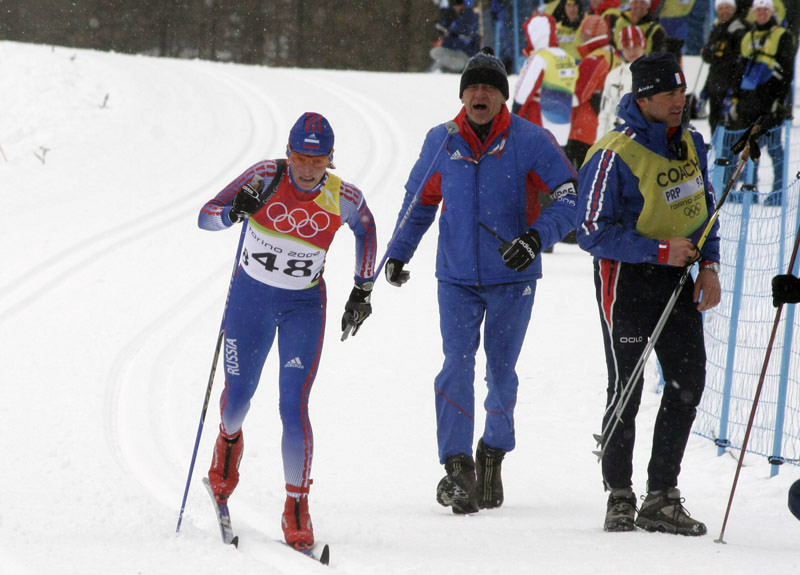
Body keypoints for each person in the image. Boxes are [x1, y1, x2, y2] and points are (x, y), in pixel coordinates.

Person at [385, 47, 578, 514]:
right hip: (455, 278)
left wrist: (535, 238)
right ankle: (458, 467)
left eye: (489, 87)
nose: (479, 93)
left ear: (501, 97)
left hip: (513, 279)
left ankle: (492, 452)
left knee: (500, 372)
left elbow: (571, 197)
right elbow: (419, 203)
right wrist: (397, 253)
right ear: (462, 94)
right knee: (456, 363)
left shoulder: (531, 141)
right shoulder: (441, 141)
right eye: (472, 86)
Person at [199, 112, 378, 549]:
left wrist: (362, 289)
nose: (307, 168)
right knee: (237, 399)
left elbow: (367, 231)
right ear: (288, 153)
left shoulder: (343, 197)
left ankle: (296, 506)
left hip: (303, 305)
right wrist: (233, 215)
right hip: (250, 300)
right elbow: (206, 216)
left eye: (317, 161)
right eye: (300, 157)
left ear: (330, 160)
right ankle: (228, 445)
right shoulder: (264, 177)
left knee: (293, 405)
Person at [576, 52, 722, 536]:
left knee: (687, 381)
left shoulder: (692, 144)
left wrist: (709, 265)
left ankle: (661, 494)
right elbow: (591, 231)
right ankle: (619, 492)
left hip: (679, 278)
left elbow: (703, 211)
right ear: (643, 99)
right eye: (669, 94)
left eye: (682, 92)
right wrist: (659, 250)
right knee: (628, 386)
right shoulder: (611, 153)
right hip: (628, 281)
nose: (680, 101)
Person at [727, 0, 795, 206]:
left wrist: (779, 100)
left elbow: (787, 72)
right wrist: (736, 100)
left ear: (771, 12)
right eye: (759, 10)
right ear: (754, 13)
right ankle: (750, 188)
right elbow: (740, 71)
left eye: (766, 10)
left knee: (774, 150)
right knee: (750, 147)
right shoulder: (748, 36)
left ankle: (778, 192)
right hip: (749, 101)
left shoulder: (782, 36)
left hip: (771, 101)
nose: (762, 13)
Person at [514, 13, 578, 147]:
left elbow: (522, 94)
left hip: (539, 119)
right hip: (564, 121)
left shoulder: (539, 58)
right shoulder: (567, 57)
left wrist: (512, 119)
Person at [565, 14, 617, 170]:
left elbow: (577, 95)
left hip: (582, 131)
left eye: (583, 33)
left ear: (588, 34)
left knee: (577, 180)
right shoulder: (613, 54)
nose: (580, 36)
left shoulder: (593, 59)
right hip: (601, 127)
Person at [700, 0, 751, 135]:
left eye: (728, 7)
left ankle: (728, 155)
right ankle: (717, 154)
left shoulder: (739, 28)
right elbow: (709, 57)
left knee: (730, 126)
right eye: (721, 8)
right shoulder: (717, 27)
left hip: (731, 85)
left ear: (734, 9)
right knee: (715, 124)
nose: (724, 11)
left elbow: (739, 60)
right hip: (715, 84)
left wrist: (734, 90)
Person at [597, 25, 647, 137]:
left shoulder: (654, 72)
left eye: (635, 46)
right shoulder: (613, 75)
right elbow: (604, 113)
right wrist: (599, 142)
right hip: (615, 136)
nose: (631, 52)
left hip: (641, 139)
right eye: (627, 47)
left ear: (643, 45)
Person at [430, 0, 481, 73]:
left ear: (463, 5)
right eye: (453, 4)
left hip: (468, 54)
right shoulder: (459, 18)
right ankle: (436, 73)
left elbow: (464, 41)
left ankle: (464, 68)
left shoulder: (469, 18)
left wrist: (444, 42)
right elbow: (454, 35)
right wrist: (445, 33)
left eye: (457, 3)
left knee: (436, 53)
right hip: (460, 52)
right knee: (438, 57)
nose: (454, 7)